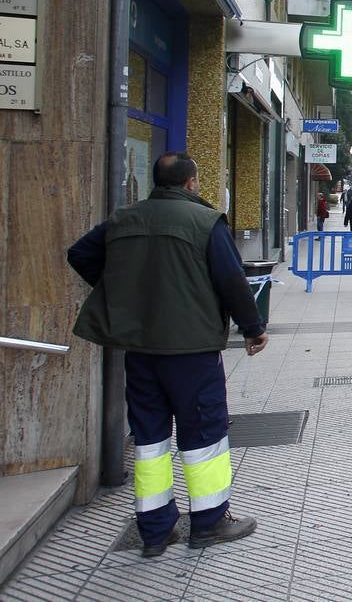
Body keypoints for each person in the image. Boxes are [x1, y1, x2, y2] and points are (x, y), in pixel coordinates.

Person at [67, 152, 267, 556]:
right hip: (191, 349)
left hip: (141, 350)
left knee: (150, 439)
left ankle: (156, 531)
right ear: (191, 183)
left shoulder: (124, 219)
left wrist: (122, 293)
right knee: (203, 435)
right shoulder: (205, 222)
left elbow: (80, 254)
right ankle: (209, 522)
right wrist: (252, 329)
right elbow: (232, 280)